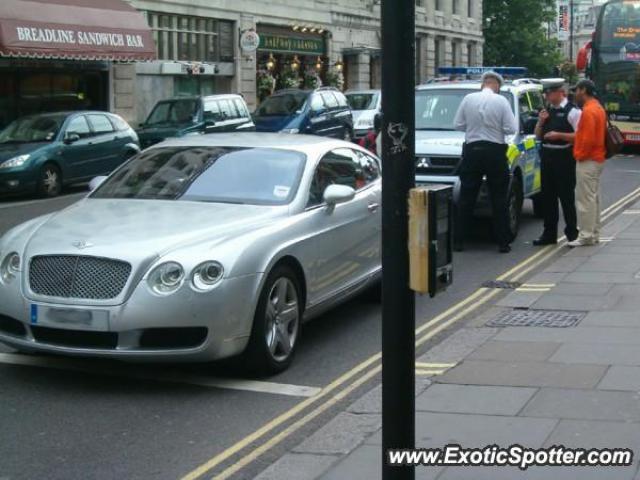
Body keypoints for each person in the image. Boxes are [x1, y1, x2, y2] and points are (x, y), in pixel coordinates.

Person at [453, 71, 519, 253]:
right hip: (495, 152)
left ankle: (458, 241)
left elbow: (457, 125)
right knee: (499, 197)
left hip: (472, 150)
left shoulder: (468, 99)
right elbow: (511, 128)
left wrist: (474, 127)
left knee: (467, 197)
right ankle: (503, 242)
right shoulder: (502, 101)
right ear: (496, 85)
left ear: (483, 84)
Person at [533, 80, 581, 246]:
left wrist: (559, 135)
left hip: (565, 158)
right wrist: (540, 122)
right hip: (547, 156)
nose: (547, 96)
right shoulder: (547, 112)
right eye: (546, 93)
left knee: (566, 197)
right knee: (548, 198)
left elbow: (580, 136)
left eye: (549, 93)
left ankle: (572, 233)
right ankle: (549, 234)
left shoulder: (573, 112)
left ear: (561, 92)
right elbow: (538, 135)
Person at [568, 79, 607, 247]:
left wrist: (578, 154)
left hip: (588, 159)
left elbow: (587, 139)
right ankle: (594, 233)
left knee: (585, 199)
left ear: (583, 90)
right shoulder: (598, 107)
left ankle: (586, 235)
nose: (575, 94)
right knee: (593, 198)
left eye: (576, 90)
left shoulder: (589, 111)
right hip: (597, 158)